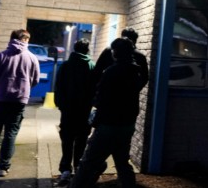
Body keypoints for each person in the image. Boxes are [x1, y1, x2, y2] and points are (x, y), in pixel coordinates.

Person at [70, 37, 147, 188]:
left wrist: (96, 118)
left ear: (116, 53)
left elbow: (101, 99)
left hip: (108, 124)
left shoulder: (111, 72)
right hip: (127, 123)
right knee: (122, 162)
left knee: (88, 163)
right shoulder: (135, 72)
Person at [0, 28, 41, 177]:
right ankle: (3, 167)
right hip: (18, 101)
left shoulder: (1, 56)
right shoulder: (32, 58)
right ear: (26, 40)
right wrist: (24, 89)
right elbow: (35, 80)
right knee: (10, 134)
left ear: (12, 39)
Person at [54, 38, 96, 186]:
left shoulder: (66, 66)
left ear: (74, 48)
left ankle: (65, 170)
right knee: (81, 139)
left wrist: (60, 104)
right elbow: (95, 89)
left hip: (68, 110)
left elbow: (58, 86)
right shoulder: (91, 66)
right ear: (87, 50)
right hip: (84, 111)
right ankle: (78, 167)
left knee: (67, 140)